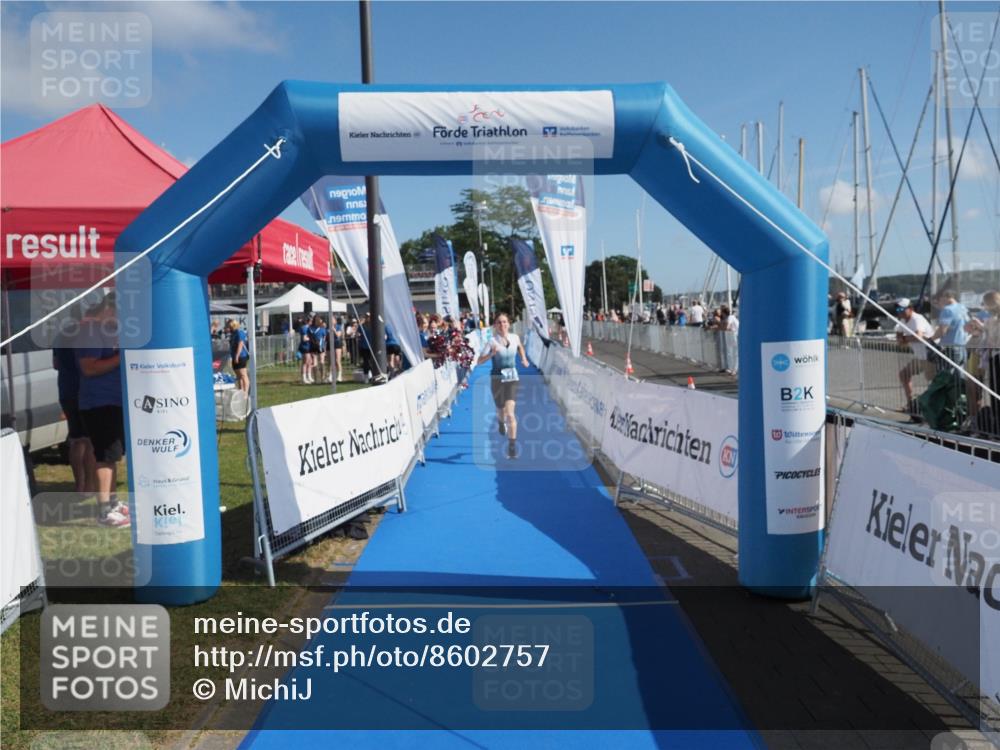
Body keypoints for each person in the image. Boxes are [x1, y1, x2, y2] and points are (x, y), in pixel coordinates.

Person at [76, 295, 129, 527]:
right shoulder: (89, 331)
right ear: (108, 307)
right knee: (105, 456)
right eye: (118, 313)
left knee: (112, 455)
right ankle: (104, 510)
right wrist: (121, 357)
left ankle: (113, 503)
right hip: (99, 402)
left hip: (112, 401)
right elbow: (88, 368)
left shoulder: (104, 330)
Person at [52, 308, 96, 496]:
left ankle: (80, 484)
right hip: (86, 390)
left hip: (66, 389)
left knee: (76, 439)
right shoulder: (90, 335)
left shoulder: (61, 335)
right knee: (90, 441)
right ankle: (90, 487)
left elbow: (55, 364)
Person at [477, 313, 529, 459]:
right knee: (501, 409)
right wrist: (491, 355)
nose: (502, 325)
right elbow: (479, 361)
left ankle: (512, 447)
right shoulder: (491, 341)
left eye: (505, 322)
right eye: (499, 323)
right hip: (497, 379)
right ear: (495, 325)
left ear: (509, 323)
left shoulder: (515, 337)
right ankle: (501, 422)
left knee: (511, 413)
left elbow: (520, 347)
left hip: (512, 378)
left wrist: (523, 359)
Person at [894, 297, 936, 415]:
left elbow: (918, 337)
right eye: (897, 310)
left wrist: (904, 338)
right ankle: (911, 404)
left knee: (932, 382)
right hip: (919, 356)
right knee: (904, 374)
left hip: (929, 356)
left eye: (902, 309)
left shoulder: (917, 319)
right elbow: (899, 338)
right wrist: (901, 337)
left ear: (910, 308)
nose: (900, 312)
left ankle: (931, 409)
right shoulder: (902, 321)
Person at [931, 289, 969, 369]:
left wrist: (931, 339)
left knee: (947, 375)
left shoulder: (947, 310)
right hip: (962, 346)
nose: (938, 303)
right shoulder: (963, 308)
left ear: (945, 297)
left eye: (938, 300)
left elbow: (942, 331)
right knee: (959, 376)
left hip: (950, 348)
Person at [229, 319, 250, 393]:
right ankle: (241, 391)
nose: (229, 328)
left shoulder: (239, 332)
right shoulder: (233, 334)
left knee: (243, 374)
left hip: (241, 356)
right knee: (238, 376)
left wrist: (237, 355)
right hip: (234, 356)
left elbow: (240, 344)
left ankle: (246, 392)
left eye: (230, 326)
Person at [296, 317, 313, 383]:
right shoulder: (304, 328)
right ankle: (304, 378)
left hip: (309, 346)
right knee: (305, 362)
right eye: (311, 321)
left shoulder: (308, 328)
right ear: (308, 321)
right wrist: (311, 339)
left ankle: (309, 376)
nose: (312, 322)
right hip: (305, 347)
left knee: (310, 362)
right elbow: (304, 338)